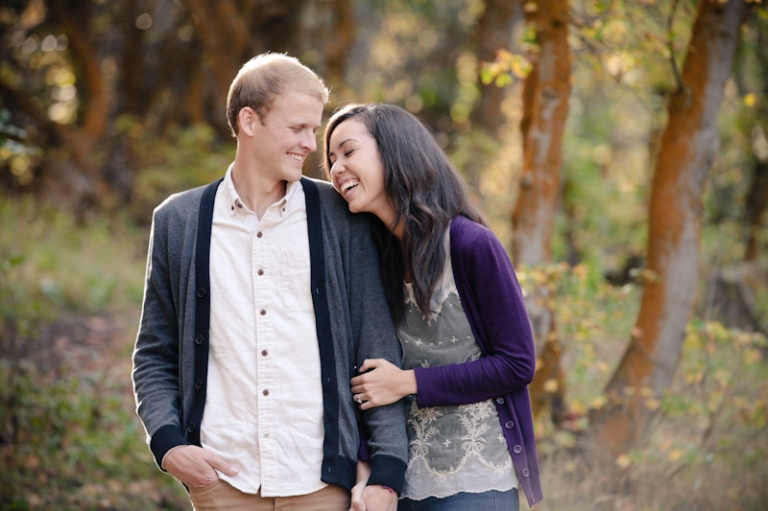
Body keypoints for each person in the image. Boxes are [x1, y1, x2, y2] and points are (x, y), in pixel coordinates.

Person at [132, 55, 407, 511]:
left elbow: (375, 348)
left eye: (313, 130)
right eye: (297, 128)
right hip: (222, 482)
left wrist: (386, 472)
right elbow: (154, 352)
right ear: (249, 121)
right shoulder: (178, 221)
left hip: (323, 482)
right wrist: (168, 444)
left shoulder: (341, 218)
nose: (309, 144)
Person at [324, 103, 543, 510]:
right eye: (331, 159)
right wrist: (367, 469)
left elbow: (517, 364)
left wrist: (409, 383)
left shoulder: (471, 245)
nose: (336, 168)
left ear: (394, 150)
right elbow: (364, 377)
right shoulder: (372, 257)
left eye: (348, 152)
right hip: (401, 484)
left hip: (476, 480)